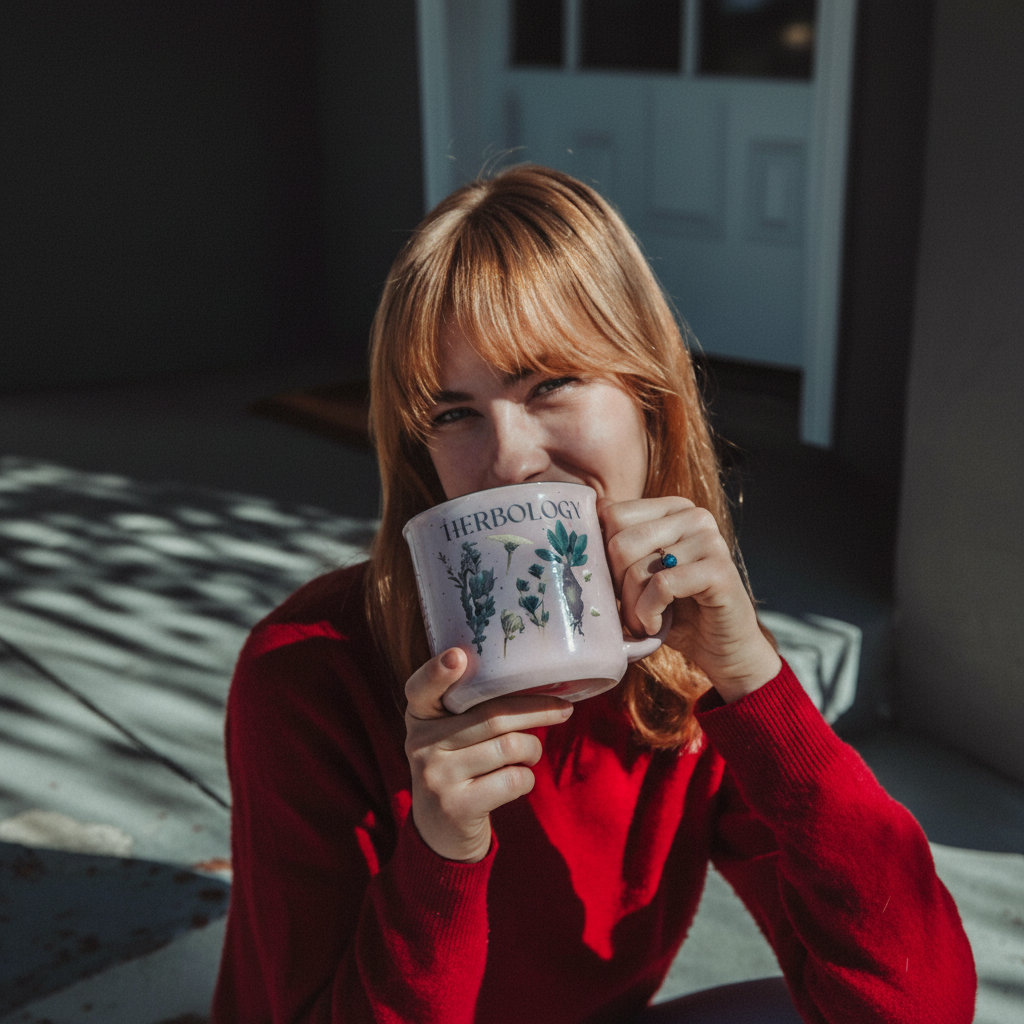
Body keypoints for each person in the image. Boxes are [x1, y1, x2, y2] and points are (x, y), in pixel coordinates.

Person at [212, 165, 976, 1023]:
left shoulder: (692, 667)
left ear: (649, 399)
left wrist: (757, 686)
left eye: (549, 385)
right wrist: (439, 853)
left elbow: (918, 1005)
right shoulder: (307, 674)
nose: (510, 461)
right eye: (454, 413)